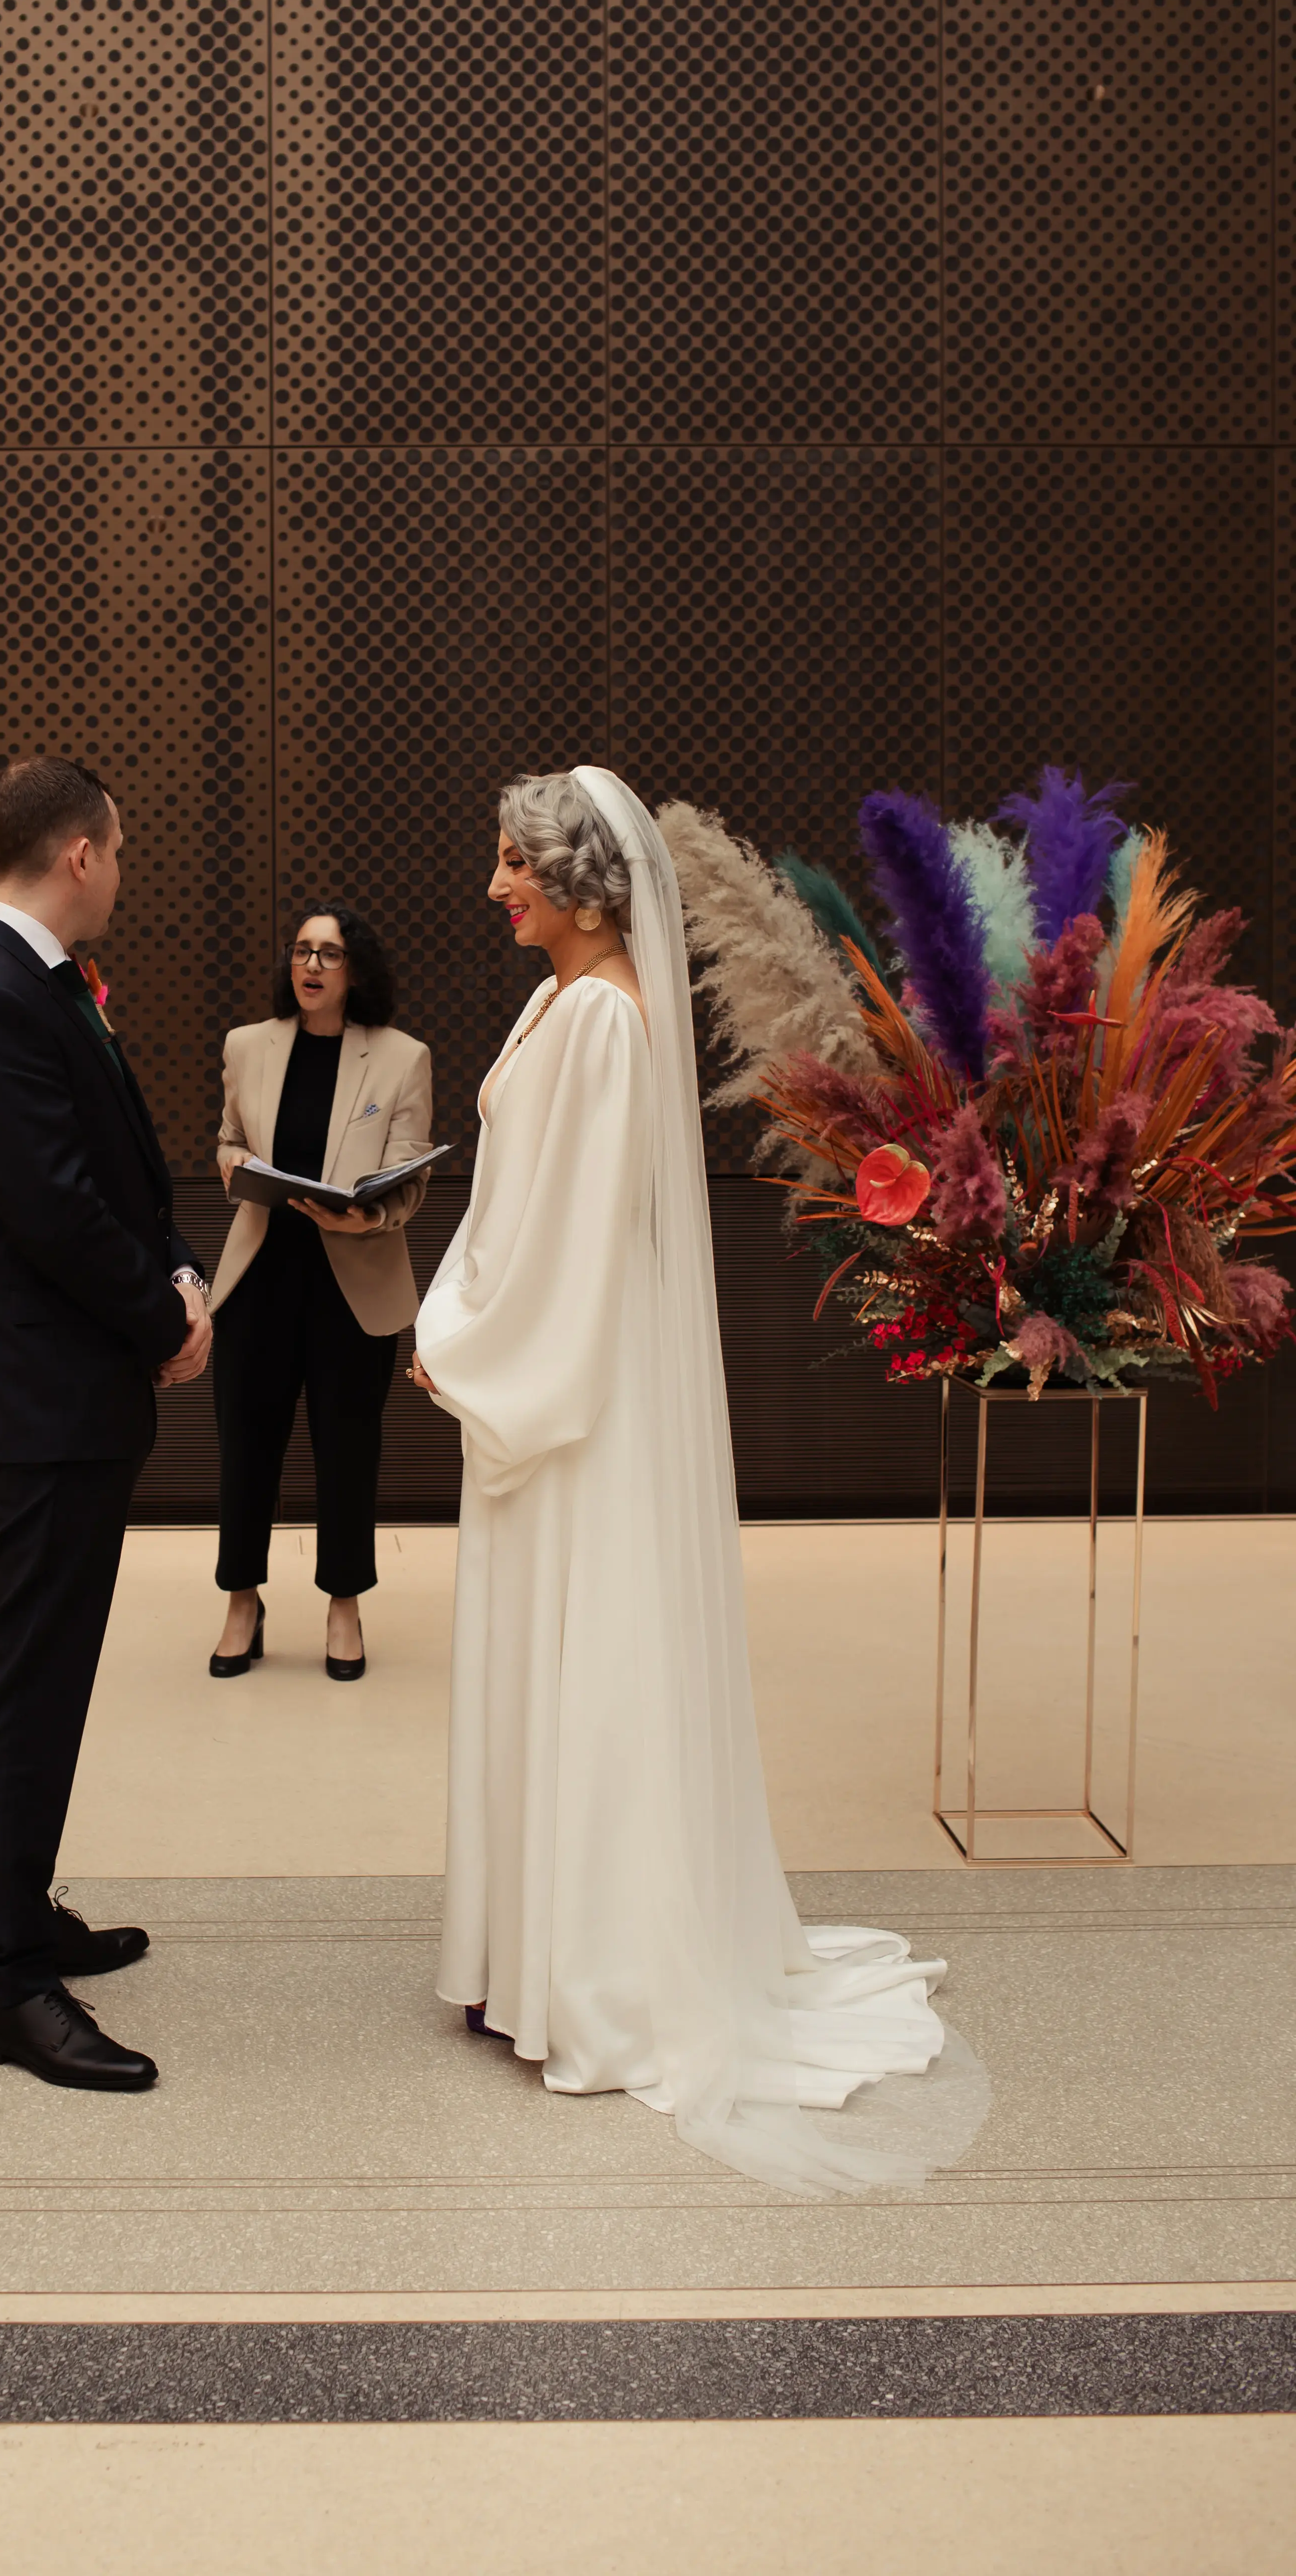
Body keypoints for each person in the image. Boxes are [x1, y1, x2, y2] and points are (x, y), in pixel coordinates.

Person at [411, 769, 984, 2194]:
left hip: (577, 1410)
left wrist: (460, 1343)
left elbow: (579, 1241)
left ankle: (593, 1971)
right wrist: (459, 1315)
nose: (495, 890)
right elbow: (515, 1207)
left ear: (580, 888)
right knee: (559, 1667)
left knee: (592, 1666)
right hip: (528, 1373)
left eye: (510, 867)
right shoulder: (561, 1004)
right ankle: (534, 1954)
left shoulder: (605, 1022)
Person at [0, 757, 212, 2095]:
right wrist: (164, 1320)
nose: (123, 868)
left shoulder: (34, 984)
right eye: (121, 847)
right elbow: (48, 1209)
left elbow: (113, 1165)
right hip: (38, 1401)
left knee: (54, 1674)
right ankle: (6, 1985)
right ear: (81, 854)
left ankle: (26, 1914)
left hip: (71, 1391)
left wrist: (177, 1269)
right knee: (24, 1686)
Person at [209, 907, 433, 1682]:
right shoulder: (248, 1045)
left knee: (348, 1452)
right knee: (246, 1450)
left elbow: (411, 1173)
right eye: (302, 950)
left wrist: (367, 1211)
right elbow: (229, 1142)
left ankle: (345, 1604)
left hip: (353, 1287)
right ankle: (243, 1600)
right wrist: (237, 1167)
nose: (311, 965)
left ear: (356, 970)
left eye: (329, 954)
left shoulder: (403, 1059)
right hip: (260, 1279)